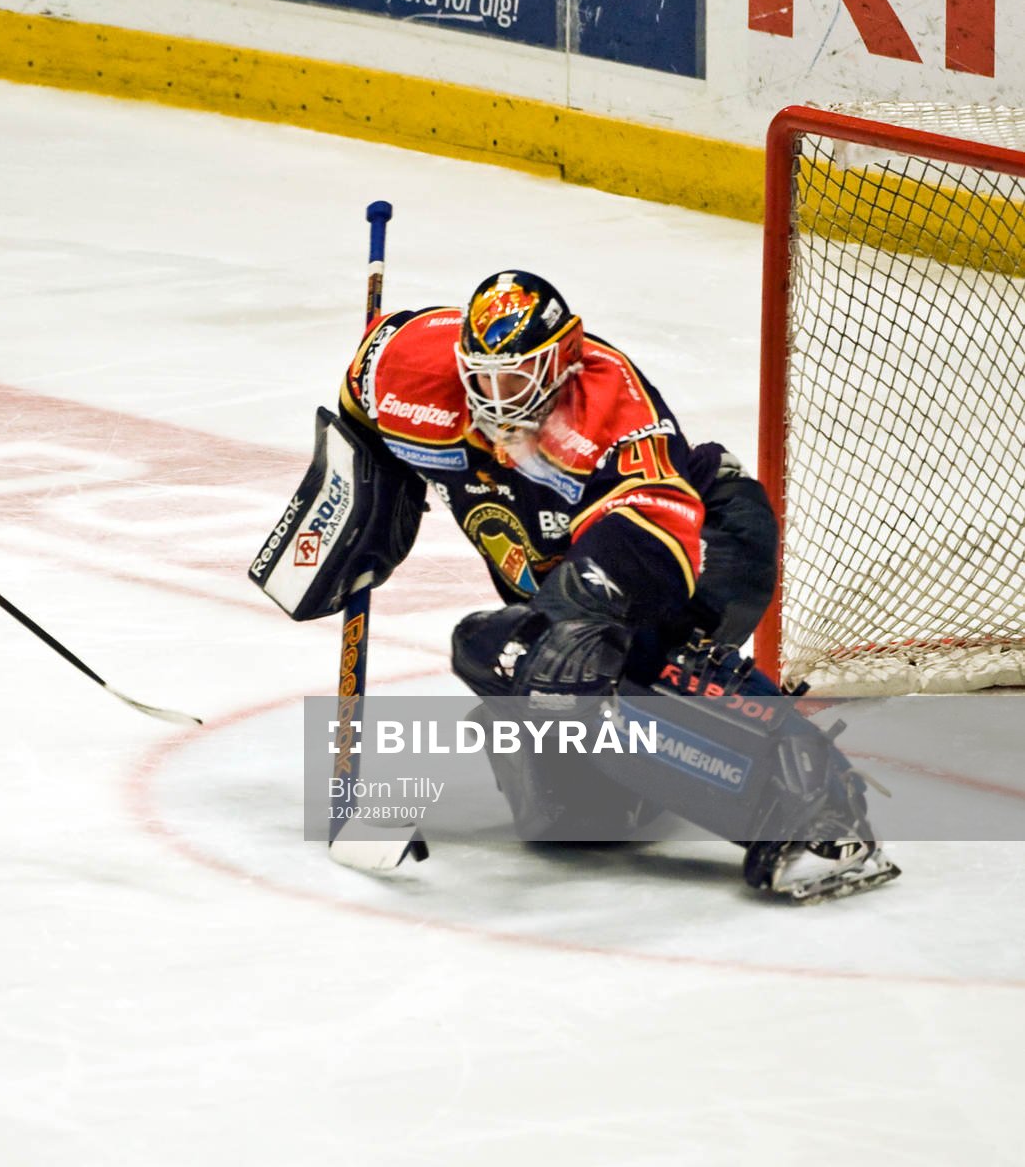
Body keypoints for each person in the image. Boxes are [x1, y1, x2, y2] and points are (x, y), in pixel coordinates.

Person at [254, 269, 896, 900]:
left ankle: (821, 811)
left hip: (701, 539)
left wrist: (574, 623)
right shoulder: (410, 369)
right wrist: (364, 492)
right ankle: (644, 773)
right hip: (577, 560)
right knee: (571, 815)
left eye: (515, 378)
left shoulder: (607, 406)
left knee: (563, 655)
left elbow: (653, 535)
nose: (496, 398)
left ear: (562, 359)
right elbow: (363, 395)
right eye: (482, 377)